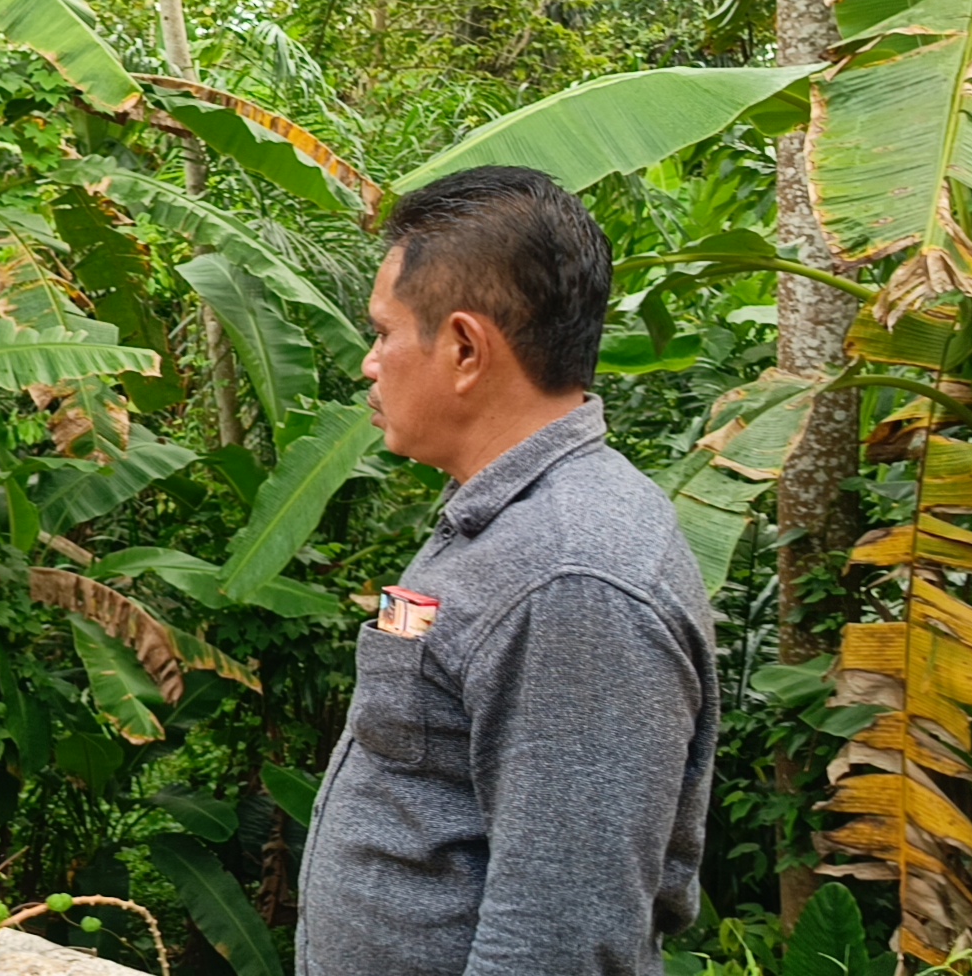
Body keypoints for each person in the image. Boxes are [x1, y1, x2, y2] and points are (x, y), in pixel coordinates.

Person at [295, 167, 718, 976]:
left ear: (464, 348)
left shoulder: (572, 580)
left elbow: (560, 937)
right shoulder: (500, 523)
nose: (369, 364)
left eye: (383, 333)